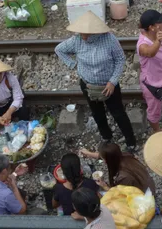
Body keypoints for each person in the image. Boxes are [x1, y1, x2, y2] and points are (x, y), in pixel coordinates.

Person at [55, 11, 137, 152]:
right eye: (82, 33)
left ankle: (131, 141)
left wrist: (112, 81)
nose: (84, 37)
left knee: (118, 113)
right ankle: (106, 137)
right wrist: (73, 64)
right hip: (88, 85)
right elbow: (59, 50)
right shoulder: (76, 41)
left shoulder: (109, 39)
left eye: (87, 34)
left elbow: (120, 59)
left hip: (108, 85)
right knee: (97, 112)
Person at [80, 142, 156, 194]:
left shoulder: (123, 177)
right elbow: (104, 155)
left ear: (108, 160)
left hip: (145, 195)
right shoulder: (126, 156)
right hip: (148, 183)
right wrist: (88, 153)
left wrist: (104, 186)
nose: (102, 161)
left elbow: (120, 195)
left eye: (103, 159)